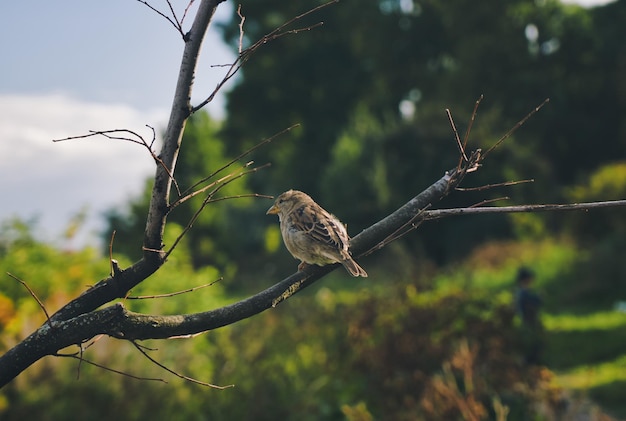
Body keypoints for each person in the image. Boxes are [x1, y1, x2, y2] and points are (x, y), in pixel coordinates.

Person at [514, 267, 544, 365]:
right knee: (531, 344)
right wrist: (539, 298)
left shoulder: (519, 292)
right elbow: (534, 303)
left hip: (524, 322)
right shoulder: (524, 293)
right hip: (527, 321)